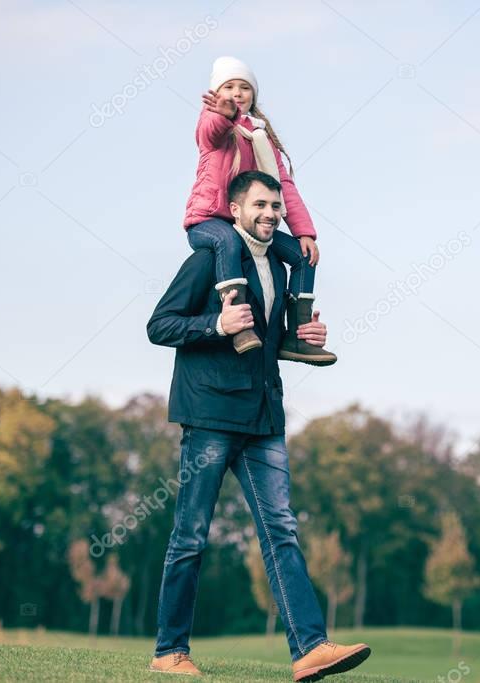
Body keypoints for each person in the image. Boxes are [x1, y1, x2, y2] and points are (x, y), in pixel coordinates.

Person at [147, 171, 370, 680]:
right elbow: (160, 325)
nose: (271, 214)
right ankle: (169, 652)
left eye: (276, 206)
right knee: (191, 536)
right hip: (209, 417)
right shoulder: (209, 259)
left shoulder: (282, 267)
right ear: (235, 209)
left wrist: (304, 333)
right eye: (260, 205)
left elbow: (275, 341)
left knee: (282, 530)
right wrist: (215, 324)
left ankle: (310, 649)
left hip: (264, 417)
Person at [184, 55, 337, 366]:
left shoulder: (260, 134)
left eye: (244, 88)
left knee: (303, 256)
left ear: (253, 95)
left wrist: (304, 232)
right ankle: (240, 324)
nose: (237, 93)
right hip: (209, 220)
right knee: (227, 242)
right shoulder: (213, 123)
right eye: (229, 87)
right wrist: (224, 116)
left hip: (247, 224)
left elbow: (283, 186)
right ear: (217, 93)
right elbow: (209, 133)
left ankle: (295, 335)